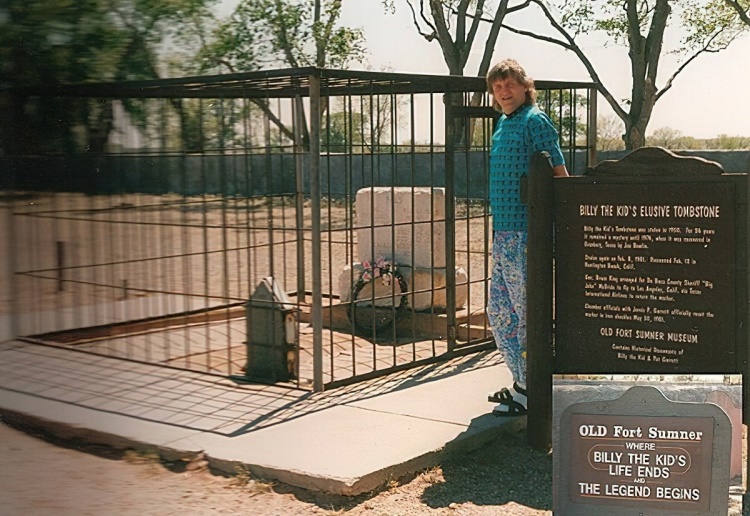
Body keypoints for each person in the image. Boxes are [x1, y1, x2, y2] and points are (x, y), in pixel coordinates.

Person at [485, 59, 568, 416]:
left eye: (510, 85)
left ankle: (534, 389)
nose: (504, 91)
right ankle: (523, 382)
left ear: (524, 87)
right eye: (498, 87)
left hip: (526, 234)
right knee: (500, 311)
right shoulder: (502, 125)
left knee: (526, 314)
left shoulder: (535, 120)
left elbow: (558, 170)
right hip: (502, 235)